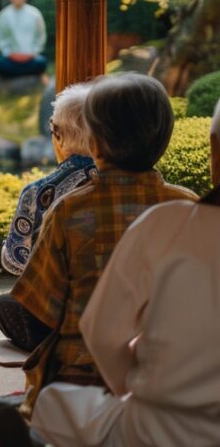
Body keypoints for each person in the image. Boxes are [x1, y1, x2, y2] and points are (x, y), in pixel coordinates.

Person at [0, 74, 196, 412]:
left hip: (80, 379)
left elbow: (41, 308)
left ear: (95, 142)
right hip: (169, 375)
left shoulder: (70, 210)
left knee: (11, 307)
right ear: (164, 138)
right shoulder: (189, 207)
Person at [30, 100, 220, 447]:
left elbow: (100, 332)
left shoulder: (174, 220)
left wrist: (128, 390)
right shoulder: (182, 202)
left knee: (51, 406)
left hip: (158, 423)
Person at [0, 81, 97, 281]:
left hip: (54, 302)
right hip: (116, 297)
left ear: (58, 135)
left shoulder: (36, 192)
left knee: (5, 303)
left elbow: (16, 262)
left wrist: (4, 249)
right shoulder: (123, 182)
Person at [0, 0, 48, 78]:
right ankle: (25, 73)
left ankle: (15, 74)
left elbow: (41, 37)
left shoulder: (35, 14)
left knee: (41, 62)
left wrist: (32, 53)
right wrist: (10, 54)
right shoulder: (3, 15)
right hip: (11, 58)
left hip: (31, 57)